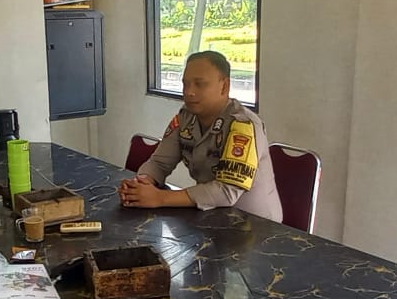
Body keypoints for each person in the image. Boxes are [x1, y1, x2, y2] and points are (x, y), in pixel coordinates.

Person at [120, 51, 283, 222]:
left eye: (200, 84)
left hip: (255, 225)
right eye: (185, 84)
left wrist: (160, 198)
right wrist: (142, 184)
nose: (189, 92)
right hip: (210, 217)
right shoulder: (186, 117)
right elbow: (160, 162)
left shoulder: (243, 125)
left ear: (224, 86)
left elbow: (227, 191)